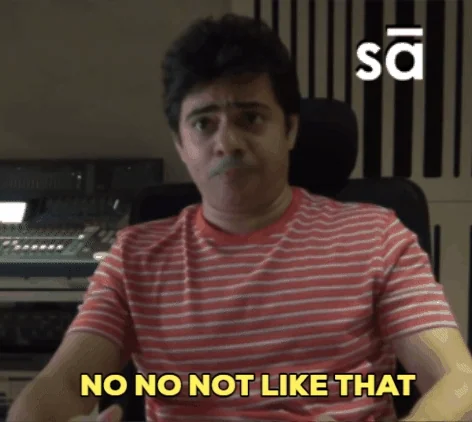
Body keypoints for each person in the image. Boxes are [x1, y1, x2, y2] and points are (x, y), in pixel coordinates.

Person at [7, 13, 472, 422]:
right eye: (204, 123)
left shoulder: (377, 236)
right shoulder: (134, 258)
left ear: (289, 130)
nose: (226, 143)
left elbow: (459, 381)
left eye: (250, 118)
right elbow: (58, 386)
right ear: (181, 144)